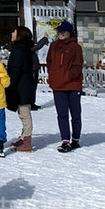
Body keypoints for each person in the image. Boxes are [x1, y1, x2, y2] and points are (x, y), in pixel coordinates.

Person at [46, 20, 84, 153]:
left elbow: (77, 66)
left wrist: (67, 77)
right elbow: (49, 63)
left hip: (73, 85)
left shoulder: (75, 47)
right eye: (59, 31)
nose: (60, 34)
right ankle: (65, 140)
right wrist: (53, 77)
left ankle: (76, 139)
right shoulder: (53, 46)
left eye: (63, 31)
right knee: (62, 114)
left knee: (75, 114)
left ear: (69, 33)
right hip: (58, 86)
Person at [6, 26, 39, 152]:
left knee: (25, 115)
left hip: (22, 87)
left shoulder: (19, 51)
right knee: (22, 113)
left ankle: (27, 142)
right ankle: (23, 136)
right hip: (25, 86)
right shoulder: (24, 49)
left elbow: (15, 70)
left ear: (20, 35)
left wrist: (10, 86)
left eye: (14, 31)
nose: (12, 33)